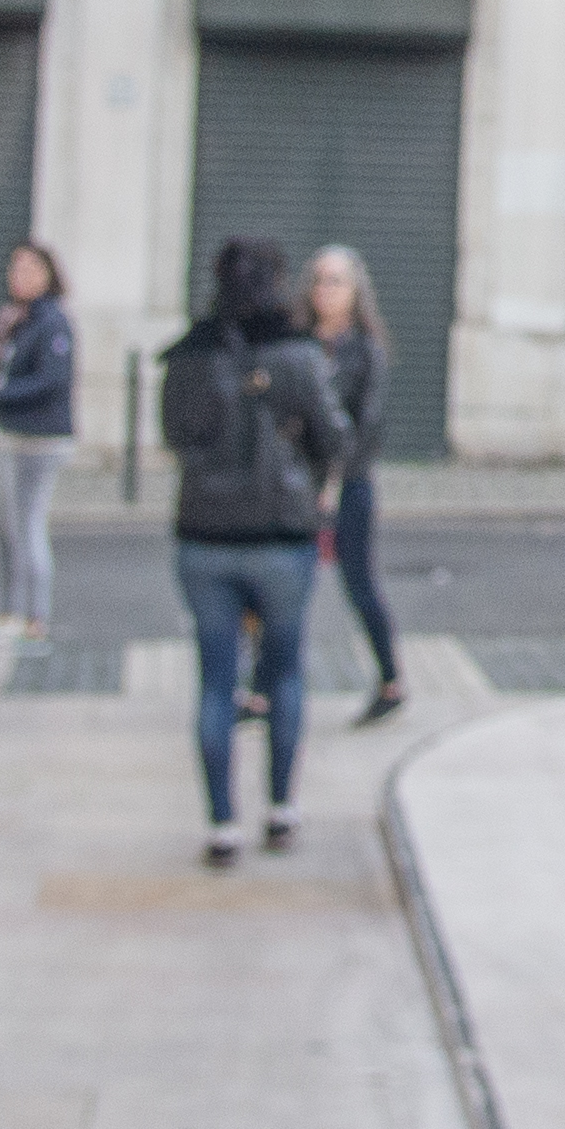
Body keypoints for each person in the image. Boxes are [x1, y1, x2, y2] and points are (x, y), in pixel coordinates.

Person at [163, 238, 350, 864]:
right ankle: (280, 810)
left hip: (206, 535)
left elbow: (174, 434)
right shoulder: (298, 355)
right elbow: (336, 438)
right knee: (286, 671)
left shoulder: (191, 354)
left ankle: (221, 824)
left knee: (216, 681)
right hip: (281, 535)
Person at [301, 244, 405, 721]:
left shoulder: (366, 351)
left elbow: (369, 424)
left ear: (356, 290)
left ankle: (390, 679)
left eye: (337, 281)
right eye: (320, 279)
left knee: (359, 583)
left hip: (346, 486)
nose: (326, 290)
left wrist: (335, 473)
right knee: (284, 587)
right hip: (294, 485)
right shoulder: (297, 343)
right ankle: (262, 688)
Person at [0, 240, 76, 645]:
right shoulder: (17, 320)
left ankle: (34, 616)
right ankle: (7, 609)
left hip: (38, 439)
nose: (20, 276)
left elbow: (51, 379)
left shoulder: (52, 322)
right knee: (1, 526)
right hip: (7, 434)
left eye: (31, 269)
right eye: (15, 268)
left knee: (26, 526)